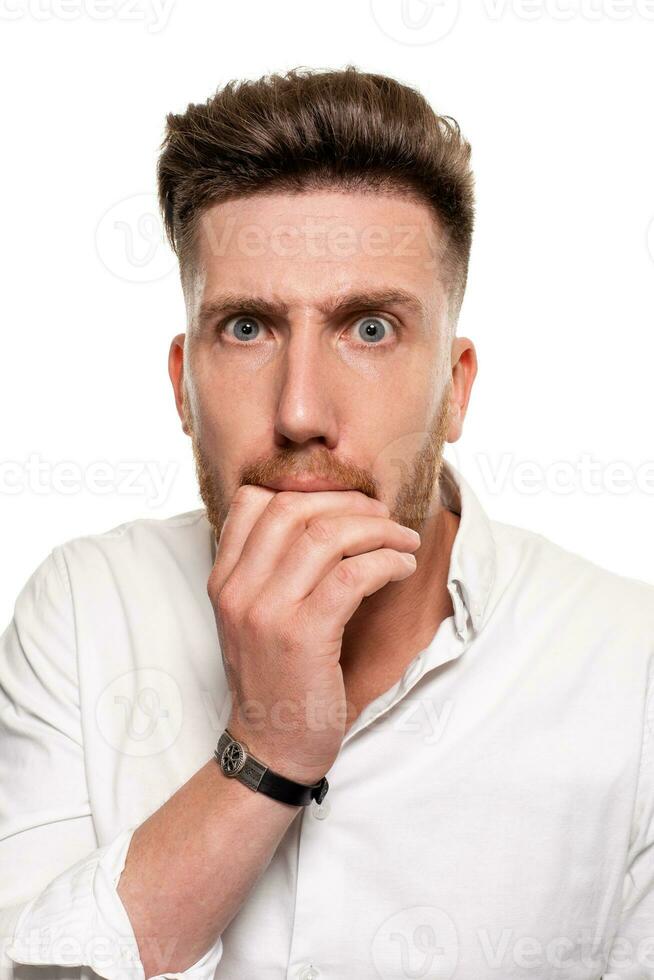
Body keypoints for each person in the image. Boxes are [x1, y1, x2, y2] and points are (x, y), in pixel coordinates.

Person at [1, 65, 652, 980]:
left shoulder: (632, 667)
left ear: (456, 388)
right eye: (248, 329)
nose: (302, 411)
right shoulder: (79, 609)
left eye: (371, 328)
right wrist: (264, 753)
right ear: (183, 385)